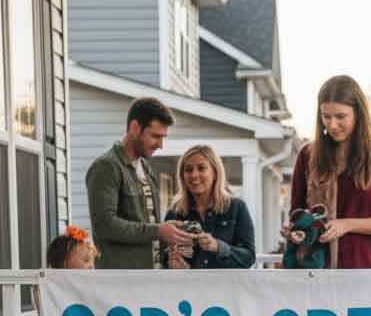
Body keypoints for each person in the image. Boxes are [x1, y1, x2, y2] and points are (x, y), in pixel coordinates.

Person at [289, 74, 371, 268]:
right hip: (315, 271)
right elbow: (297, 213)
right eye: (326, 116)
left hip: (366, 272)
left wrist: (347, 225)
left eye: (340, 117)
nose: (332, 125)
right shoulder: (307, 155)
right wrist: (296, 231)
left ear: (358, 114)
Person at [85, 96, 194, 269]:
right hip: (123, 278)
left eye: (163, 137)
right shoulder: (106, 167)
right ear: (135, 127)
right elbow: (104, 225)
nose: (160, 145)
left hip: (150, 276)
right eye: (155, 136)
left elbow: (148, 227)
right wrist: (158, 231)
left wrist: (171, 242)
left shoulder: (146, 169)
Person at [164, 144, 256, 270]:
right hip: (188, 282)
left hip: (226, 283)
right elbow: (163, 257)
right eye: (188, 170)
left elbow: (249, 257)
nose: (194, 175)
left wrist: (218, 247)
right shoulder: (174, 212)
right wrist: (176, 266)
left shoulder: (237, 207)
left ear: (215, 172)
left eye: (201, 168)